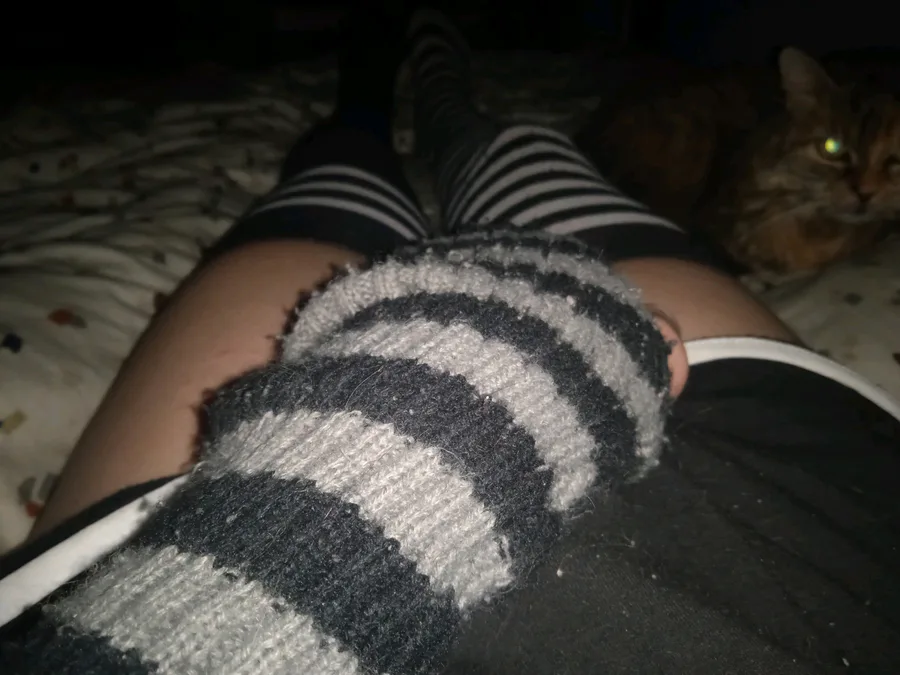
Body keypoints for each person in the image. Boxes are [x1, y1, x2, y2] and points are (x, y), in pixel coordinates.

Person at [1, 6, 899, 674]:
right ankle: (436, 104)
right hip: (792, 496)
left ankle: (383, 98)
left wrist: (293, 535)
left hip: (159, 525)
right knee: (520, 161)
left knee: (334, 178)